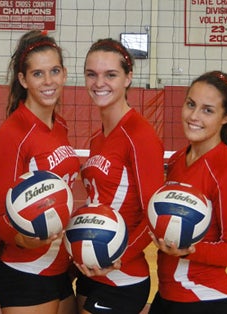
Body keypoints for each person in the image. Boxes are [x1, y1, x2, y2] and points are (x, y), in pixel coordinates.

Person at [148, 71, 227, 314]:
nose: (194, 116)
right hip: (168, 295)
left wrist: (190, 249)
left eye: (208, 110)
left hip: (205, 300)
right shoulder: (177, 160)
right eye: (191, 104)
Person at [0, 30, 81, 314]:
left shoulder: (60, 125)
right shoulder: (13, 133)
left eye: (54, 71)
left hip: (60, 268)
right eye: (38, 74)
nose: (49, 81)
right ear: (23, 80)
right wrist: (22, 239)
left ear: (64, 74)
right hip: (26, 270)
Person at [73, 38, 165, 314]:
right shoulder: (97, 138)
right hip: (91, 271)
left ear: (128, 78)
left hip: (122, 276)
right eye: (92, 74)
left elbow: (155, 215)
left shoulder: (140, 135)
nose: (99, 83)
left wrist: (117, 256)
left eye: (110, 75)